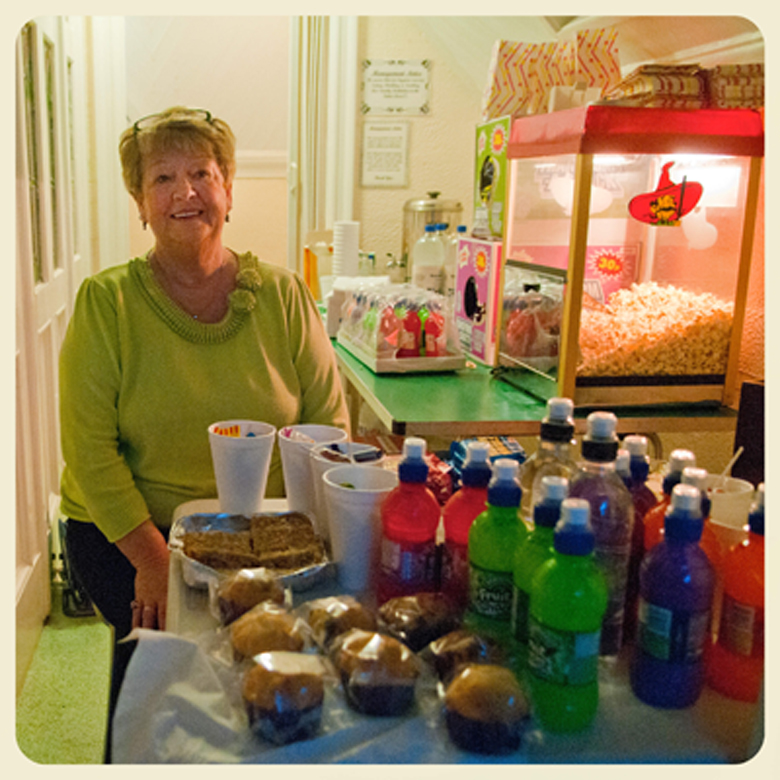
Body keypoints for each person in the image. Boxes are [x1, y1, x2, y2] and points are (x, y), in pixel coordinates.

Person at [58, 106, 349, 760]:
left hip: (270, 527)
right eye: (163, 178)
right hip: (132, 531)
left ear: (229, 189)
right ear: (140, 202)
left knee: (281, 680)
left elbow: (327, 428)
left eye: (202, 174)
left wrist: (307, 534)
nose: (186, 193)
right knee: (162, 683)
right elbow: (89, 451)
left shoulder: (282, 294)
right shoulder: (106, 304)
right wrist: (155, 562)